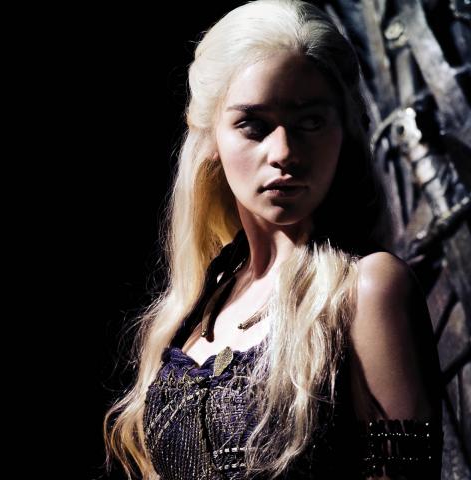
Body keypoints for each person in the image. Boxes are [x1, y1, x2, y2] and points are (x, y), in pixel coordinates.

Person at [103, 1, 443, 478]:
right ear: (211, 139)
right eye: (254, 125)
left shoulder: (368, 289)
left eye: (310, 122)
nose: (283, 152)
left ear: (344, 132)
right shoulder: (195, 309)